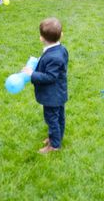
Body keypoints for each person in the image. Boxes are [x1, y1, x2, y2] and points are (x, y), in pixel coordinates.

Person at [22, 17, 69, 154]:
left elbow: (50, 77)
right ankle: (56, 137)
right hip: (59, 92)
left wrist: (32, 74)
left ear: (41, 38)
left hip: (52, 95)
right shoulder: (61, 49)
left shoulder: (53, 56)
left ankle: (54, 146)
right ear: (61, 35)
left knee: (52, 119)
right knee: (58, 116)